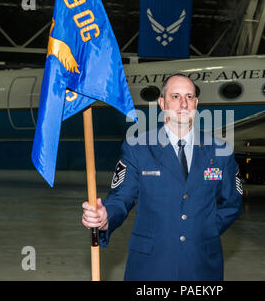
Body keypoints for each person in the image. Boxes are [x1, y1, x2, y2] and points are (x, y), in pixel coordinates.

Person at [81, 74, 243, 280]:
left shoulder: (220, 150)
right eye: (175, 96)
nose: (183, 103)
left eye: (189, 96)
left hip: (202, 266)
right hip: (150, 266)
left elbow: (231, 204)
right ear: (161, 103)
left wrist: (204, 232)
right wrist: (105, 218)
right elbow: (121, 199)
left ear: (196, 103)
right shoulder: (138, 147)